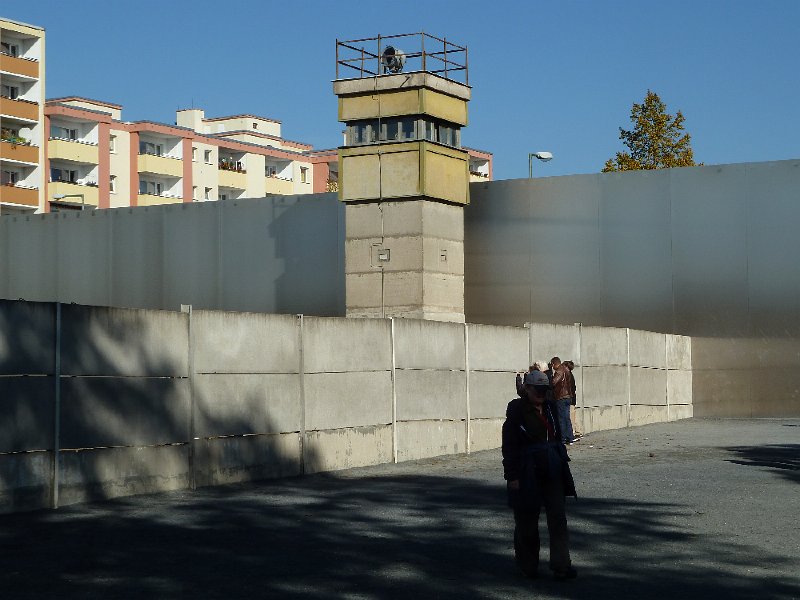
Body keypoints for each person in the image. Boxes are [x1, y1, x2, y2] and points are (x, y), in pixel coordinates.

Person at [502, 370, 577, 580]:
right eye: (537, 390)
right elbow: (509, 447)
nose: (541, 394)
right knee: (526, 521)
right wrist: (512, 476)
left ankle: (561, 565)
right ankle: (528, 566)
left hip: (553, 468)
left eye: (545, 390)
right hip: (527, 471)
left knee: (558, 519)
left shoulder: (551, 407)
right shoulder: (516, 411)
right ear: (526, 389)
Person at [550, 357, 577, 444]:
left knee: (561, 418)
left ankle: (563, 439)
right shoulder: (567, 370)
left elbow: (554, 382)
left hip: (561, 397)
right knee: (567, 418)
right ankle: (570, 437)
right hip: (568, 397)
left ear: (554, 364)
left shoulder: (559, 370)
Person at [564, 360, 583, 440]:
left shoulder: (568, 375)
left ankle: (574, 433)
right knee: (573, 416)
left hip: (570, 399)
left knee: (571, 417)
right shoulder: (570, 375)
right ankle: (578, 431)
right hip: (572, 399)